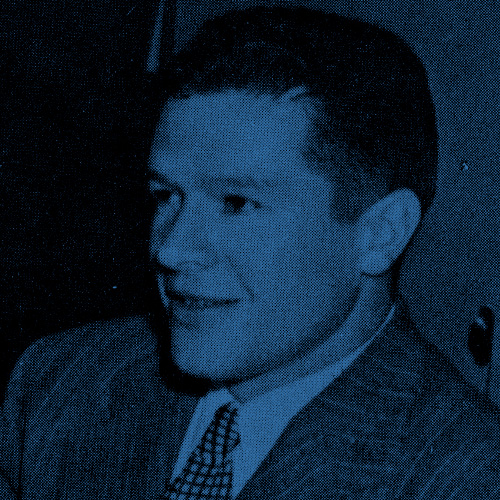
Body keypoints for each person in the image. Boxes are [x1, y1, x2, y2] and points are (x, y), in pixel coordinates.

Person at [1, 6, 499, 500]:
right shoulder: (58, 383)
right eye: (166, 196)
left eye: (236, 203)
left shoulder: (466, 476)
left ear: (379, 234)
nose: (171, 249)